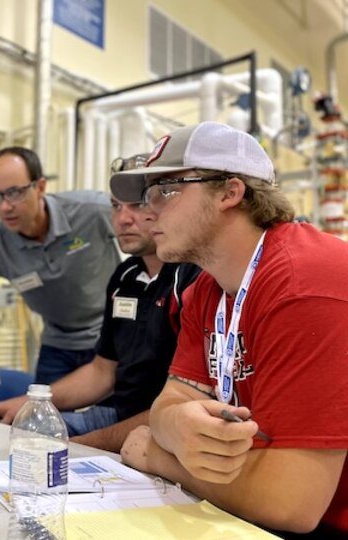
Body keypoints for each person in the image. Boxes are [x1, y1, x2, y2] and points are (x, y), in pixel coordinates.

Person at [112, 121, 348, 537]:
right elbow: (168, 405)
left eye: (165, 191)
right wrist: (177, 425)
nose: (148, 212)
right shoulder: (207, 287)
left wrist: (159, 455)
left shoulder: (305, 283)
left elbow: (290, 502)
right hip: (253, 508)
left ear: (230, 192)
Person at [0, 156, 199, 451]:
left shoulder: (192, 278)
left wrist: (80, 446)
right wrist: (33, 401)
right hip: (117, 414)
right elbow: (102, 372)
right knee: (14, 432)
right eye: (115, 206)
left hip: (161, 425)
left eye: (137, 204)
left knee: (49, 450)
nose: (123, 219)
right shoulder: (124, 277)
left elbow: (186, 407)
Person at [0, 146, 121, 384]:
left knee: (116, 417)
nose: (4, 206)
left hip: (112, 336)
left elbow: (147, 236)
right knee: (39, 417)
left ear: (40, 187)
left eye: (14, 192)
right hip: (57, 343)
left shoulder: (92, 210)